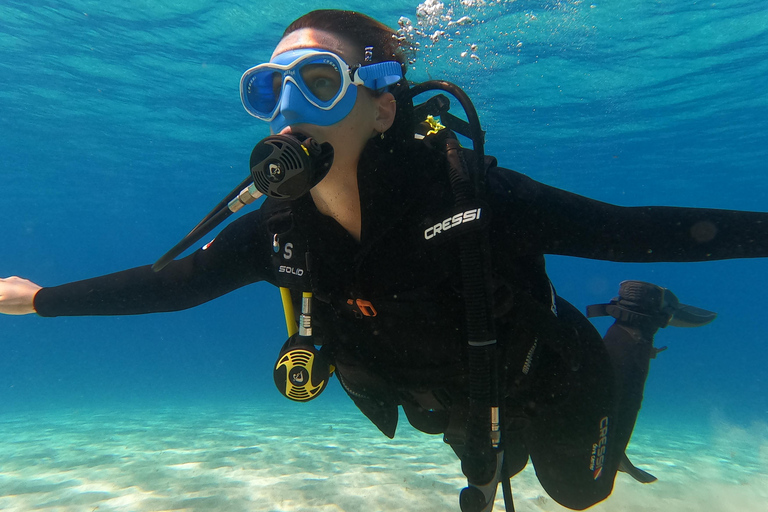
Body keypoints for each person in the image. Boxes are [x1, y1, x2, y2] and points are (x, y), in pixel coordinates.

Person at [1, 9, 767, 512]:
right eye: (270, 89)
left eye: (319, 83)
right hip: (459, 402)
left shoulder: (472, 195)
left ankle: (635, 317)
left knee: (580, 493)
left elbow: (629, 228)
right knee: (496, 472)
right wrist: (39, 299)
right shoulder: (278, 229)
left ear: (382, 106)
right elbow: (176, 285)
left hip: (551, 376)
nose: (289, 110)